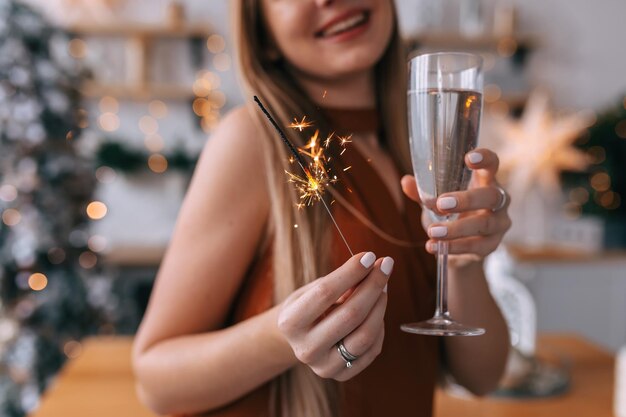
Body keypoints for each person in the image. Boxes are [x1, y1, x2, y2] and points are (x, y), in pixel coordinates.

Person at [132, 1, 511, 416]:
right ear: (264, 36)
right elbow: (155, 382)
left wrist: (463, 262)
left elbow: (483, 376)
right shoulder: (250, 143)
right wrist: (286, 337)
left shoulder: (417, 149)